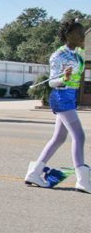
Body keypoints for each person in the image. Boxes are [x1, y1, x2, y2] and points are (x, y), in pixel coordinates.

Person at [25, 19, 91, 192]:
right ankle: (83, 180)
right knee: (79, 136)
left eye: (83, 33)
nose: (82, 36)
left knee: (59, 138)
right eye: (79, 33)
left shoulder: (77, 53)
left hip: (70, 97)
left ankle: (34, 172)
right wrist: (64, 78)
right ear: (68, 35)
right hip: (61, 97)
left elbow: (82, 55)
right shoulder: (58, 55)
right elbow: (52, 82)